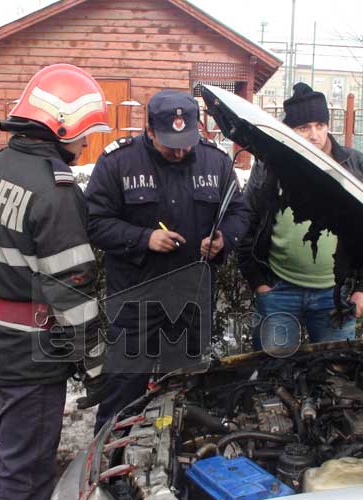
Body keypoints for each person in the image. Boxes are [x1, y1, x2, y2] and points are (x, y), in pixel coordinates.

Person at [85, 89, 247, 433]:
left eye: (186, 140)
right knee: (123, 392)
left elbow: (239, 212)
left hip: (191, 300)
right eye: (169, 142)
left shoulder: (215, 162)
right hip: (135, 300)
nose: (180, 150)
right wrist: (145, 238)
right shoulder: (118, 163)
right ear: (149, 131)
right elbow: (94, 222)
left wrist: (222, 240)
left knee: (185, 391)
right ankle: (108, 465)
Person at [0, 64, 111, 500]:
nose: (86, 142)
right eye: (84, 132)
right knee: (24, 474)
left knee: (7, 456)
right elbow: (72, 292)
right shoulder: (55, 191)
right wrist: (97, 364)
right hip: (30, 357)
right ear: (61, 127)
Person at [238, 82, 363, 351]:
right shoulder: (271, 166)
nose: (314, 135)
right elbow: (247, 219)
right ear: (290, 131)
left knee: (336, 374)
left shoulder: (355, 167)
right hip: (278, 291)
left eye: (320, 125)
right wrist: (258, 282)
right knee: (271, 374)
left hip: (335, 295)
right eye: (304, 127)